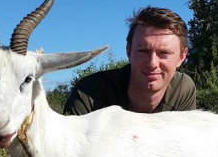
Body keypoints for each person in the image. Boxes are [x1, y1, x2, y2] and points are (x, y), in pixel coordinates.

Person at [64, 6, 196, 115]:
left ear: (181, 57)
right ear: (128, 51)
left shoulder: (182, 90)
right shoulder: (88, 92)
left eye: (165, 53)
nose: (152, 63)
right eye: (143, 51)